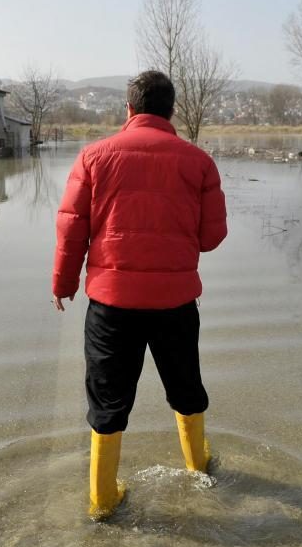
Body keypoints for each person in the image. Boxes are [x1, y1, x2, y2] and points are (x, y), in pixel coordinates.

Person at [51, 70, 227, 520]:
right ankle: (199, 472)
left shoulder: (93, 157)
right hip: (175, 303)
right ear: (171, 111)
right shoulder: (199, 162)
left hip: (112, 306)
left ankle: (104, 501)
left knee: (108, 400)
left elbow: (72, 230)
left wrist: (63, 284)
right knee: (186, 388)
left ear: (128, 110)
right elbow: (212, 237)